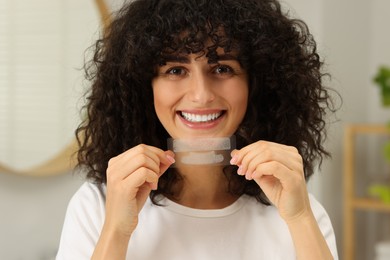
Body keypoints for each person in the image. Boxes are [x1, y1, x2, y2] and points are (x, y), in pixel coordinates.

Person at [56, 0, 339, 259]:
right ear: (144, 87)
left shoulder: (300, 211)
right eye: (176, 70)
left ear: (257, 85)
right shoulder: (97, 206)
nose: (201, 95)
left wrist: (300, 218)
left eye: (222, 69)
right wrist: (116, 231)